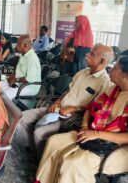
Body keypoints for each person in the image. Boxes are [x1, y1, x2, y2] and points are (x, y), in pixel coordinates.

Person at [35, 55, 128, 183]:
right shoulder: (112, 89)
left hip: (116, 147)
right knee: (54, 142)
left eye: (115, 68)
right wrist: (84, 126)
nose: (110, 70)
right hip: (93, 133)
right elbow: (90, 108)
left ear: (125, 75)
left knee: (73, 163)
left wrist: (96, 134)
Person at [17, 44, 113, 159]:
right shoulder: (83, 72)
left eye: (92, 54)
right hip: (57, 108)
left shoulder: (104, 83)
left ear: (102, 61)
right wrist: (57, 101)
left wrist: (75, 108)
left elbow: (94, 108)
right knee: (21, 118)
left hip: (70, 118)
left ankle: (42, 161)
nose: (87, 55)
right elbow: (68, 90)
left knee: (39, 133)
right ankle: (36, 152)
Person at [0, 34, 41, 101]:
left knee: (5, 95)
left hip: (29, 86)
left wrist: (15, 80)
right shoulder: (23, 54)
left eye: (18, 44)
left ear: (25, 45)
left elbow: (29, 79)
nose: (16, 46)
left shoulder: (32, 58)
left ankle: (3, 110)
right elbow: (17, 68)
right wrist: (12, 76)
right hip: (20, 81)